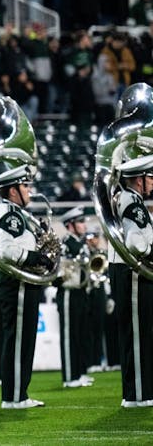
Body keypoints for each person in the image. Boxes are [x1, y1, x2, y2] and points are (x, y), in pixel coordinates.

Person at [0, 160, 52, 409]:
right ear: (13, 190)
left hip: (23, 282)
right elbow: (8, 251)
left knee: (25, 340)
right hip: (16, 282)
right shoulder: (10, 214)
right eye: (25, 186)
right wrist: (35, 257)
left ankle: (19, 394)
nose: (28, 190)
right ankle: (13, 397)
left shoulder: (17, 214)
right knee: (17, 340)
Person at [109, 154, 153, 408]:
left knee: (137, 333)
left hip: (127, 271)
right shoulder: (131, 202)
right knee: (137, 334)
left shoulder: (129, 199)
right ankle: (137, 394)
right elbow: (136, 242)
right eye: (150, 177)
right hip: (132, 272)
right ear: (139, 179)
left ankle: (138, 391)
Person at [57, 207, 92, 389]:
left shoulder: (81, 243)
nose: (84, 225)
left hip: (80, 291)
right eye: (80, 222)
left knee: (79, 333)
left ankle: (79, 372)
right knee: (70, 335)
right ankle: (70, 376)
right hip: (69, 292)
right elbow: (61, 271)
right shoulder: (66, 244)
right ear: (70, 225)